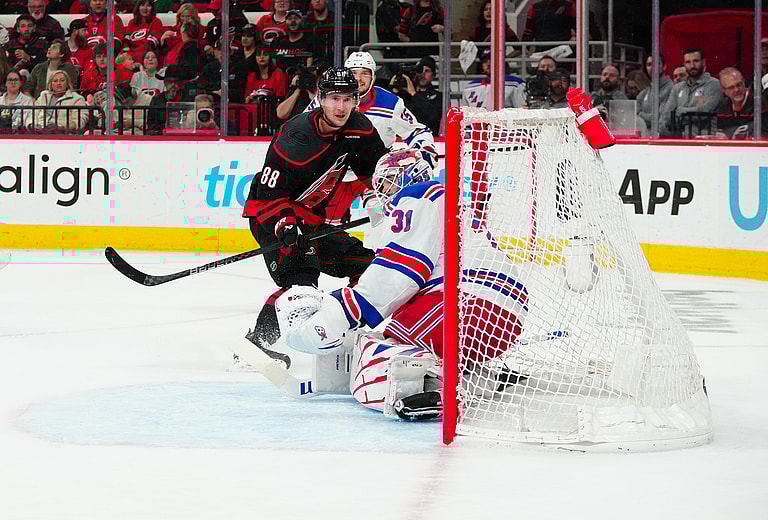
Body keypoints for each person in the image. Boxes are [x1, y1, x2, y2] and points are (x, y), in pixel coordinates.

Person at [274, 150, 527, 419]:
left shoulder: (418, 195)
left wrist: (341, 312)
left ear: (408, 176)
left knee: (377, 352)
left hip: (467, 304)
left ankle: (429, 387)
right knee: (395, 333)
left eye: (388, 183)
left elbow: (399, 274)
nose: (383, 192)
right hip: (499, 311)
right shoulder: (444, 201)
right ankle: (475, 377)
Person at [240, 67, 389, 356]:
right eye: (334, 98)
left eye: (348, 99)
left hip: (312, 222)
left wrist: (391, 196)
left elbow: (377, 174)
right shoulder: (297, 134)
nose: (341, 106)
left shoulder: (361, 129)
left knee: (369, 267)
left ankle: (349, 338)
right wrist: (286, 226)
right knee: (301, 283)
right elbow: (271, 192)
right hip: (270, 217)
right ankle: (256, 346)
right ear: (320, 99)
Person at [308, 52, 437, 167]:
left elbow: (417, 132)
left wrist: (424, 150)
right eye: (353, 72)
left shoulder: (390, 103)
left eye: (364, 73)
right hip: (331, 174)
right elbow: (303, 130)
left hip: (375, 175)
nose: (358, 78)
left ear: (373, 78)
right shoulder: (325, 98)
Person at [660, 48, 722, 137]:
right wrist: (692, 112)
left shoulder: (713, 84)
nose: (692, 65)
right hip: (680, 139)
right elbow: (667, 117)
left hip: (705, 140)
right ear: (684, 64)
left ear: (703, 62)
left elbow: (704, 112)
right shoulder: (677, 88)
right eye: (688, 62)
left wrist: (679, 111)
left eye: (696, 61)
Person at [391, 55, 442, 137]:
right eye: (420, 71)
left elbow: (433, 116)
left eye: (427, 71)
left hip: (429, 141)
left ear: (433, 75)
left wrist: (414, 94)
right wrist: (393, 88)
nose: (422, 74)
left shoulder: (439, 96)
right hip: (402, 141)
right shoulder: (404, 95)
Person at [715, 67, 768, 139]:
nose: (736, 90)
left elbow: (762, 131)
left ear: (743, 82)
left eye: (739, 85)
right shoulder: (723, 107)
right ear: (724, 91)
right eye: (731, 87)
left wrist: (731, 133)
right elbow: (721, 134)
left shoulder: (759, 102)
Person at [32, 68, 88, 132]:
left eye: (62, 80)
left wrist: (62, 127)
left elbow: (79, 121)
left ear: (67, 83)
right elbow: (33, 114)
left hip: (63, 132)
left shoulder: (77, 99)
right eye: (55, 81)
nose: (58, 83)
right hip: (40, 130)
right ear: (51, 84)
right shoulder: (44, 95)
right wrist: (32, 125)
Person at [636, 55, 672, 131]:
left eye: (656, 64)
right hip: (646, 137)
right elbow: (635, 118)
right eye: (649, 65)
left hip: (664, 137)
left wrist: (640, 114)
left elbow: (659, 118)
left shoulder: (671, 89)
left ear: (664, 66)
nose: (652, 67)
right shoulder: (643, 93)